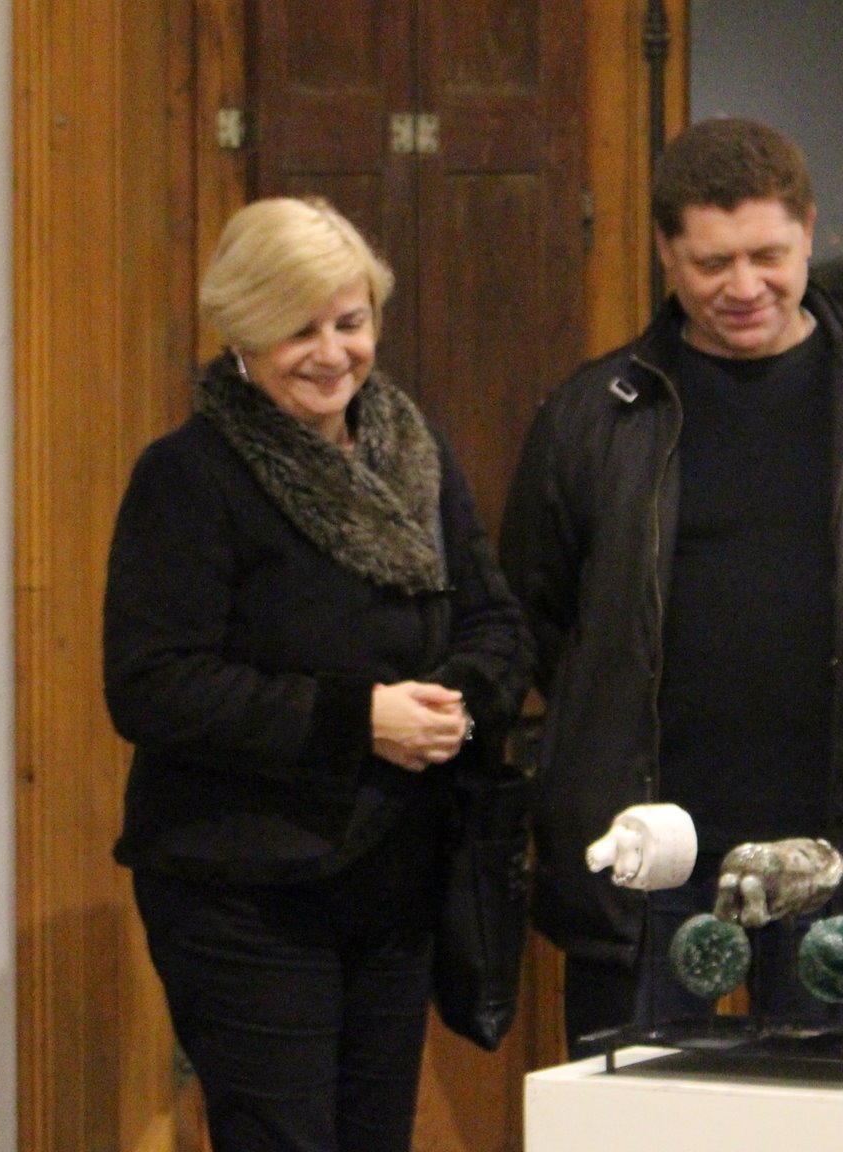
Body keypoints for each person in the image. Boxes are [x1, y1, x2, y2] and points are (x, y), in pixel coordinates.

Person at [500, 117, 843, 1054]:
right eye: (714, 262)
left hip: (839, 850)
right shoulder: (593, 413)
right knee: (636, 1115)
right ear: (665, 252)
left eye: (769, 256)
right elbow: (540, 611)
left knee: (823, 1114)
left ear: (809, 232)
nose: (745, 286)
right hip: (646, 856)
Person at [103, 196, 534, 1152]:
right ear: (242, 332)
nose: (333, 353)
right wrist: (359, 719)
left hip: (397, 880)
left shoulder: (414, 453)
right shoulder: (189, 475)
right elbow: (152, 684)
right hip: (244, 895)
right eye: (300, 330)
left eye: (351, 322)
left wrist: (454, 710)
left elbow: (498, 624)